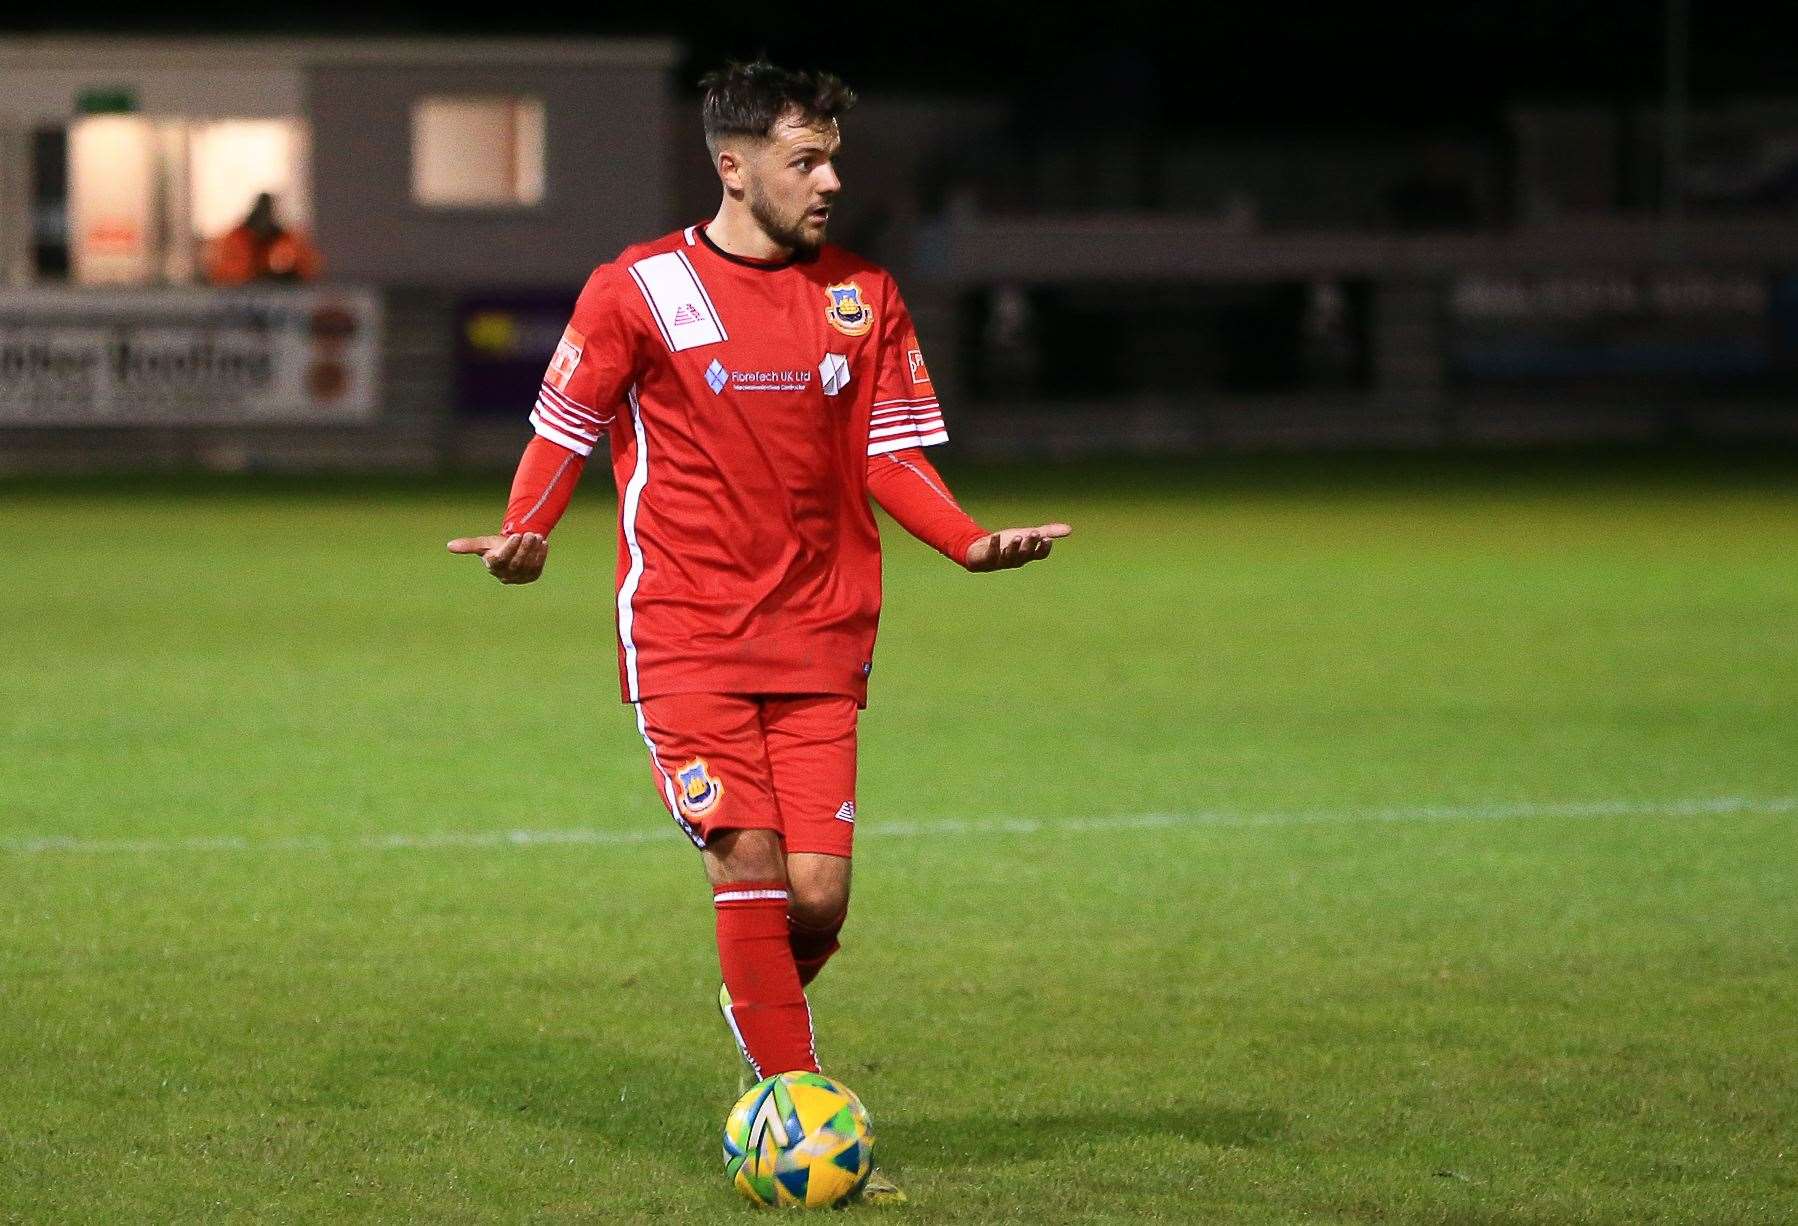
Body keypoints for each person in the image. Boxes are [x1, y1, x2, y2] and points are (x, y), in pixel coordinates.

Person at [447, 62, 1070, 1203]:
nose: (829, 180)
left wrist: (967, 541)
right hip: (685, 631)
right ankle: (792, 1098)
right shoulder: (638, 287)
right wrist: (522, 529)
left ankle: (755, 988)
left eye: (833, 156)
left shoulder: (863, 294)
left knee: (817, 896)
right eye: (805, 160)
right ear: (732, 167)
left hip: (824, 630)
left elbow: (888, 451)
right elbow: (567, 423)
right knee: (747, 856)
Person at [205, 192, 321, 285]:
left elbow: (308, 267)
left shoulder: (284, 239)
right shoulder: (235, 238)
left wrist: (285, 272)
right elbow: (222, 272)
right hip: (237, 295)